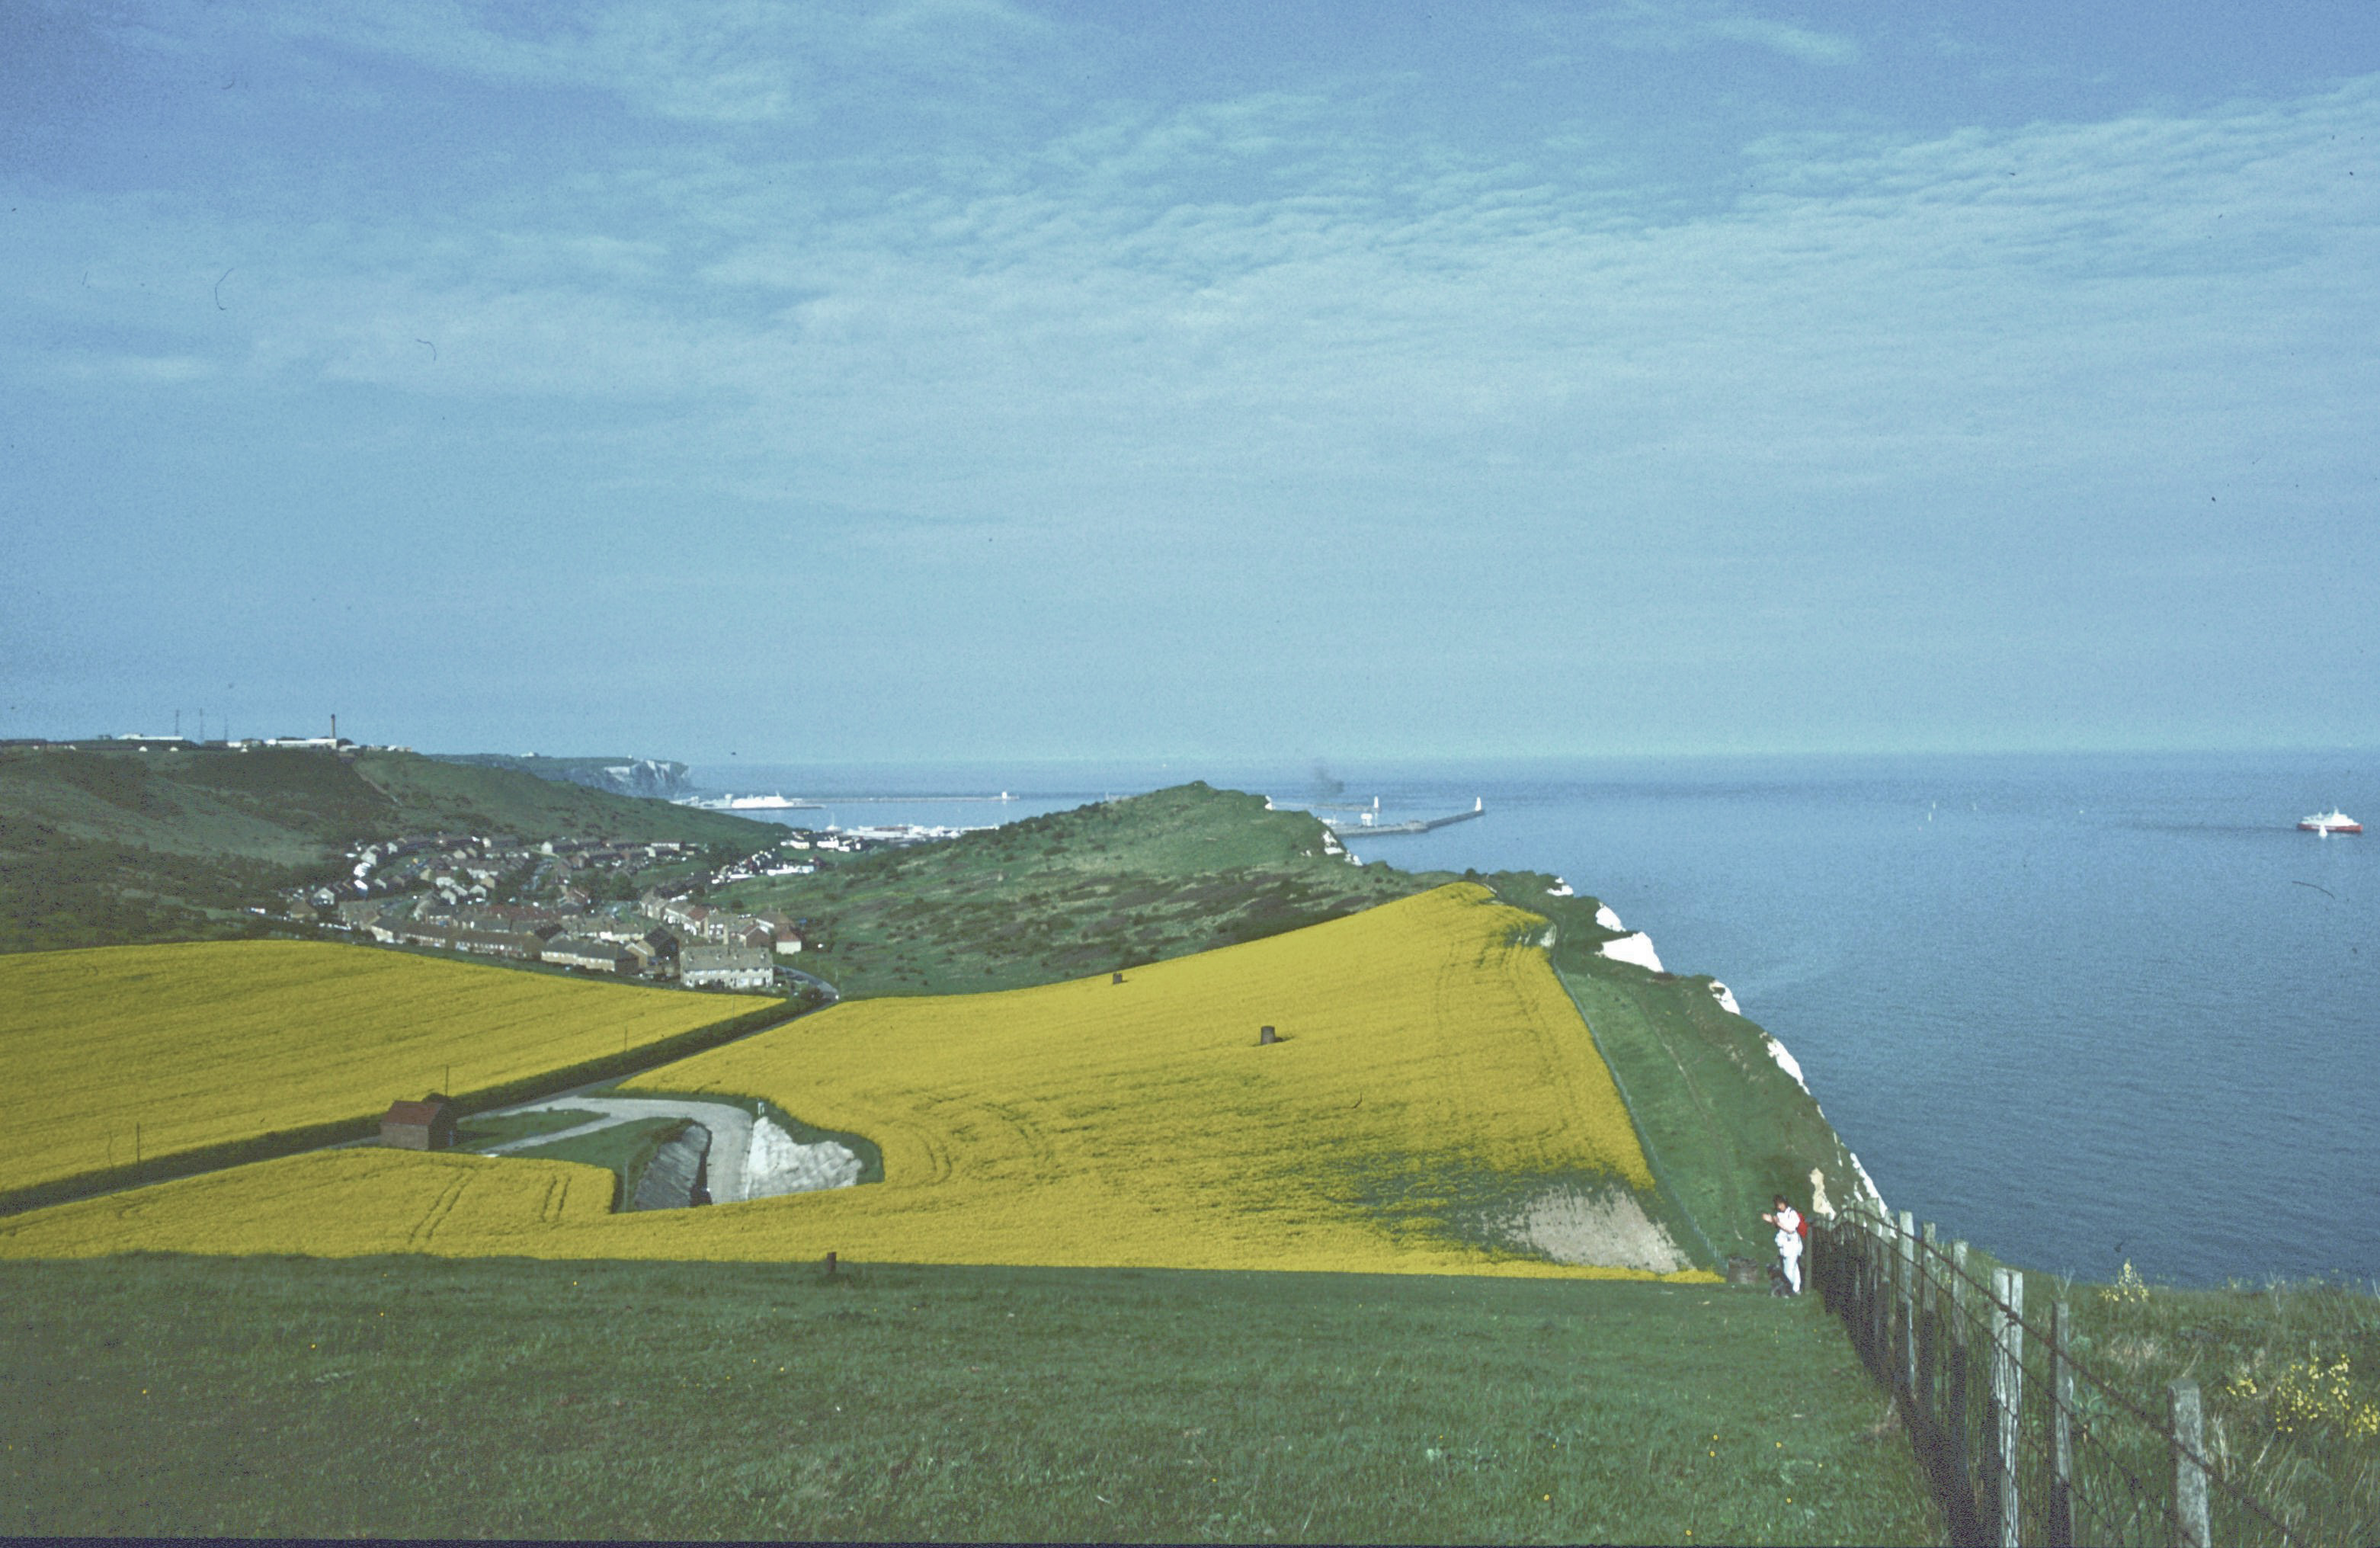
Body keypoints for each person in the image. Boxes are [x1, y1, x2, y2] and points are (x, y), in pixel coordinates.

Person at [1760, 1194, 1805, 1296]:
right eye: (1777, 1205)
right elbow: (1778, 1226)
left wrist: (1777, 1223)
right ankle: (1795, 1289)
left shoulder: (1792, 1214)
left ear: (1785, 1203)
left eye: (1781, 1204)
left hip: (1793, 1244)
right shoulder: (1780, 1214)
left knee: (1789, 1269)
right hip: (1785, 1245)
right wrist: (1771, 1220)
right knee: (1793, 1267)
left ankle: (1787, 1290)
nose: (1779, 1207)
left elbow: (1790, 1229)